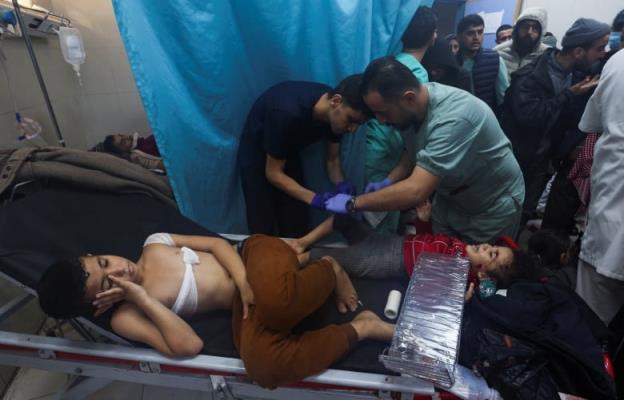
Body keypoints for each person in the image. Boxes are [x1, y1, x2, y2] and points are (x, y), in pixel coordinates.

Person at [36, 233, 394, 388]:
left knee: (273, 302)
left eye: (104, 261)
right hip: (247, 305)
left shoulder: (155, 245)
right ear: (98, 305)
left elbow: (218, 245)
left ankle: (329, 267)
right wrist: (141, 297)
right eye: (106, 284)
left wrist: (243, 281)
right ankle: (362, 328)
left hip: (250, 257)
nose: (118, 271)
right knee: (262, 367)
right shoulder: (127, 316)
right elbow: (188, 345)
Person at [325, 57, 524, 244]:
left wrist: (353, 203)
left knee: (474, 273)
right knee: (439, 261)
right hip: (450, 200)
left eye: (383, 113)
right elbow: (414, 151)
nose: (381, 121)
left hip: (490, 207)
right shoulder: (412, 110)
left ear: (409, 98)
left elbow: (416, 191)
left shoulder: (454, 118)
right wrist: (388, 181)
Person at [499, 18, 610, 225]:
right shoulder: (529, 77)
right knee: (505, 215)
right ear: (578, 52)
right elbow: (530, 116)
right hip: (517, 161)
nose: (603, 53)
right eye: (599, 48)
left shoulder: (579, 76)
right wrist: (569, 94)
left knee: (524, 215)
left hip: (543, 163)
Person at [285, 209, 536, 296]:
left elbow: (486, 294)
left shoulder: (459, 276)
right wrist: (423, 221)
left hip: (385, 261)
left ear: (482, 273)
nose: (488, 247)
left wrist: (476, 286)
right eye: (494, 247)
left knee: (327, 258)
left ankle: (289, 262)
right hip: (389, 242)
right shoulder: (462, 246)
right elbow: (428, 239)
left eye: (492, 255)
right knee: (343, 219)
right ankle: (300, 242)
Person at [237, 75, 371, 237]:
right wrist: (314, 199)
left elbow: (332, 160)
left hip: (288, 151)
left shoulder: (335, 116)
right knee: (262, 224)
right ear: (336, 101)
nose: (352, 129)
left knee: (296, 223)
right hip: (258, 154)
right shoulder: (286, 112)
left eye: (358, 124)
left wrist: (341, 183)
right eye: (351, 120)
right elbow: (273, 173)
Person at [363, 6, 437, 234]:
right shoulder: (418, 78)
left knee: (371, 220)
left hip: (374, 154)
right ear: (433, 35)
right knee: (380, 226)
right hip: (390, 157)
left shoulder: (389, 64)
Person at [575, 49, 624, 325]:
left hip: (611, 218)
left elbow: (590, 122)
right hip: (613, 212)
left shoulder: (619, 63)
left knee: (589, 331)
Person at [455, 14, 510, 112]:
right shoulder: (453, 62)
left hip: (487, 119)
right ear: (459, 37)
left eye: (480, 32)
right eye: (470, 33)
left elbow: (503, 97)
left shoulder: (494, 59)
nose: (476, 37)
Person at [495, 8, 550, 78]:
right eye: (525, 27)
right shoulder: (499, 52)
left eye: (535, 28)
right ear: (517, 29)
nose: (529, 32)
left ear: (540, 33)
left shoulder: (547, 56)